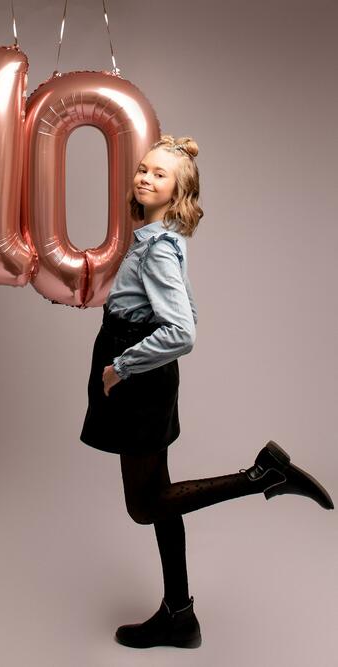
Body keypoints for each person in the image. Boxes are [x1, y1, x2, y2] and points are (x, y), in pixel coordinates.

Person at [79, 134, 334, 649]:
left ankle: (262, 475)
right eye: (143, 169)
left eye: (159, 174)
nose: (145, 177)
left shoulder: (158, 250)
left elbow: (183, 332)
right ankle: (180, 615)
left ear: (178, 193)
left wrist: (120, 367)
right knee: (162, 501)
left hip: (137, 381)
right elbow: (188, 311)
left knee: (144, 505)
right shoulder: (159, 238)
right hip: (145, 378)